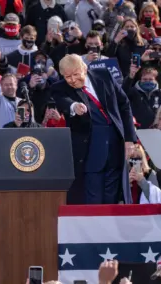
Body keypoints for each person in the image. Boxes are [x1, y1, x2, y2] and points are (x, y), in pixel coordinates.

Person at [51, 54, 136, 205]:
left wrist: (129, 139)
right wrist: (74, 106)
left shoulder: (104, 76)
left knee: (113, 195)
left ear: (85, 68)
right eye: (67, 76)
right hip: (90, 148)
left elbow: (124, 104)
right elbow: (63, 101)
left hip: (115, 143)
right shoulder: (59, 88)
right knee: (93, 197)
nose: (72, 80)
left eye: (76, 74)